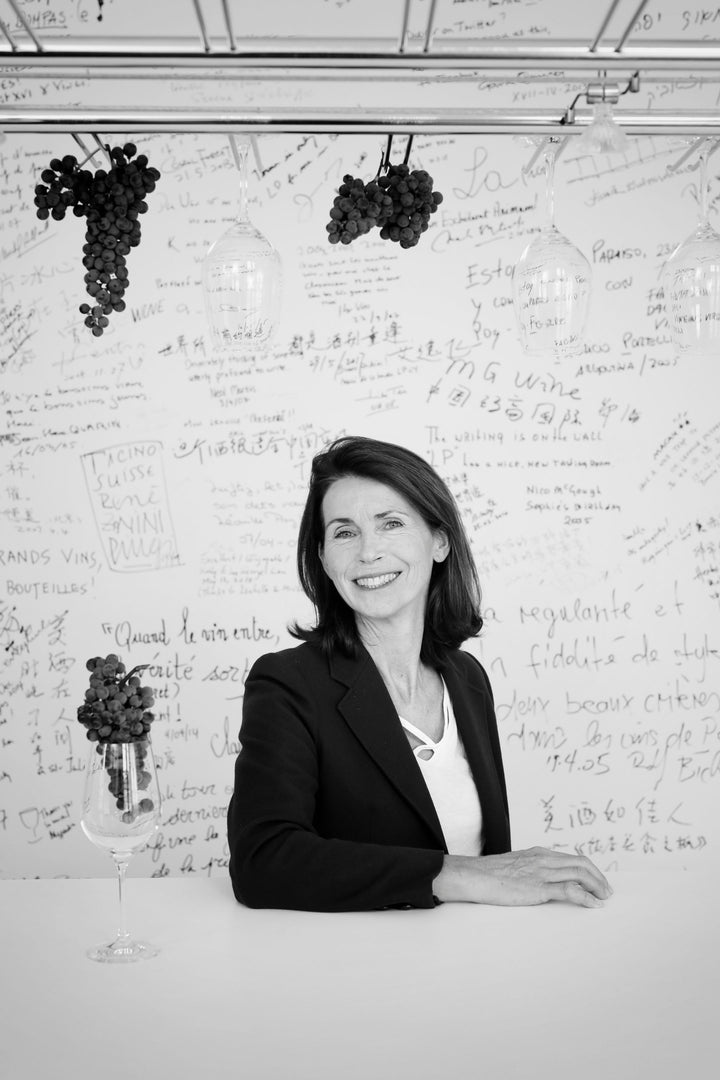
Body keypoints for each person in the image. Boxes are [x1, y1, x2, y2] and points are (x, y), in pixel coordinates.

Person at [227, 435, 612, 912]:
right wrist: (457, 874)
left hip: (476, 962)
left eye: (390, 524)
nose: (368, 552)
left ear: (439, 541)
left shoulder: (467, 678)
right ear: (324, 558)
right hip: (351, 969)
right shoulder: (288, 684)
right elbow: (261, 862)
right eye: (345, 532)